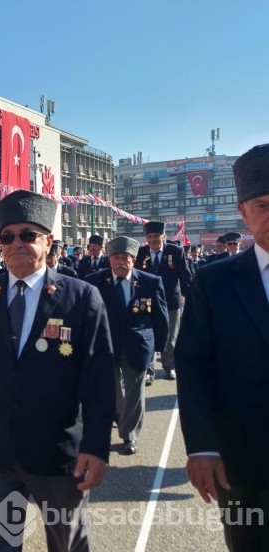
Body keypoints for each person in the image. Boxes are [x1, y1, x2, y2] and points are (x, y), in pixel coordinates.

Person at [0, 190, 116, 552]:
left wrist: (96, 445)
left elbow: (100, 378)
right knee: (0, 542)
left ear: (48, 242)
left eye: (28, 235)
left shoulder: (82, 297)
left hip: (58, 455)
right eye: (8, 237)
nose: (17, 243)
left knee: (67, 543)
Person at [175, 144, 269, 551]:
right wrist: (202, 446)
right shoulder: (214, 282)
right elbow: (194, 365)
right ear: (244, 211)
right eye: (264, 205)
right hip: (244, 461)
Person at [86, 236, 169, 455]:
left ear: (134, 260)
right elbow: (86, 316)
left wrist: (158, 347)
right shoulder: (93, 281)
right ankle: (119, 415)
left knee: (135, 390)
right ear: (109, 259)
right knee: (111, 389)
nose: (121, 261)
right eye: (116, 257)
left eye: (125, 257)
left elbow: (161, 317)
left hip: (138, 345)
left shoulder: (151, 282)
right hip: (106, 345)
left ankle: (130, 434)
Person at [134, 221, 192, 383]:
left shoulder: (176, 251)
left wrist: (190, 298)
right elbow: (136, 277)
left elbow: (185, 276)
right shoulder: (141, 252)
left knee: (170, 336)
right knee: (148, 334)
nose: (153, 239)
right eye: (150, 236)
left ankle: (169, 367)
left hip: (171, 301)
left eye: (156, 236)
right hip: (147, 301)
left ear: (164, 236)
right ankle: (149, 370)